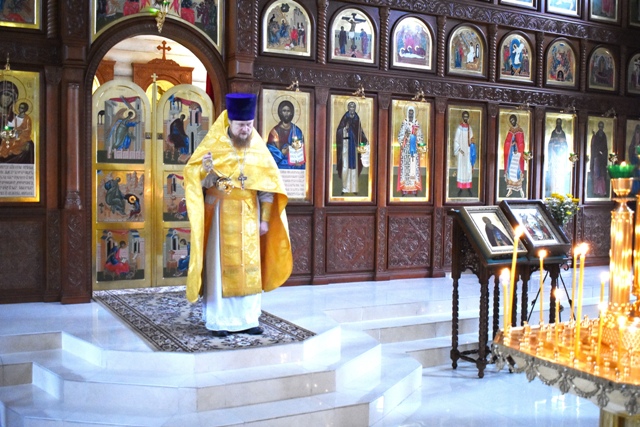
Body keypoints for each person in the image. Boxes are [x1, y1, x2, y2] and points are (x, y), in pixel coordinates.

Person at [184, 93, 292, 338]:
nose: (246, 130)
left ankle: (248, 319)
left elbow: (267, 188)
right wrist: (206, 171)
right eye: (241, 125)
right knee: (218, 268)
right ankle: (219, 320)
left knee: (250, 266)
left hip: (250, 217)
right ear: (230, 123)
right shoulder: (213, 146)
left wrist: (265, 220)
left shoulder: (258, 149)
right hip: (220, 217)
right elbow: (196, 181)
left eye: (249, 125)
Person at [336, 101, 368, 195]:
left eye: (353, 107)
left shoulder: (357, 118)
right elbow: (339, 130)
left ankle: (354, 188)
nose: (352, 109)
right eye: (350, 107)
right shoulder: (345, 118)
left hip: (354, 146)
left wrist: (364, 139)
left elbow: (359, 131)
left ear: (355, 108)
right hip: (345, 145)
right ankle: (345, 188)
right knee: (345, 166)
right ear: (348, 108)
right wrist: (344, 129)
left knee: (354, 168)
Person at [267, 100, 305, 169]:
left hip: (294, 168)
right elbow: (270, 154)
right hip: (278, 168)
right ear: (280, 112)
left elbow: (300, 152)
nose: (286, 113)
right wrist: (282, 153)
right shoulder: (274, 132)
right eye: (284, 111)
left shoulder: (297, 131)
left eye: (288, 111)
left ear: (291, 113)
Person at [396, 106, 423, 196]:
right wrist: (406, 136)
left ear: (414, 113)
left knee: (413, 167)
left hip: (414, 149)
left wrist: (417, 137)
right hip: (406, 149)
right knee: (406, 168)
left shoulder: (416, 123)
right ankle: (405, 189)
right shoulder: (404, 123)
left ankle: (414, 188)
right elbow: (400, 136)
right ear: (407, 113)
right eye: (409, 113)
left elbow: (420, 136)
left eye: (412, 113)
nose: (411, 115)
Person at [453, 110, 475, 197]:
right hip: (462, 152)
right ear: (462, 117)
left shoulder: (470, 128)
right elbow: (456, 140)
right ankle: (461, 188)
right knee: (462, 169)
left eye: (467, 116)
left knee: (468, 169)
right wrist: (460, 150)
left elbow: (472, 139)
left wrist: (472, 144)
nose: (465, 118)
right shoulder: (460, 128)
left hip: (468, 152)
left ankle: (469, 187)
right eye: (464, 116)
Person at [503, 114, 525, 198]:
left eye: (513, 120)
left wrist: (517, 147)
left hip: (517, 155)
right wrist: (510, 144)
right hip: (510, 155)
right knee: (510, 170)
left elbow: (522, 143)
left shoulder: (520, 131)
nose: (512, 122)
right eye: (510, 121)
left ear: (516, 120)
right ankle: (510, 190)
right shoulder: (510, 131)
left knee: (517, 171)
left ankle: (521, 189)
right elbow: (506, 142)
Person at [546, 118, 570, 197]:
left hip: (561, 158)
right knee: (554, 176)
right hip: (554, 157)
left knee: (560, 177)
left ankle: (560, 194)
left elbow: (566, 145)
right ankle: (553, 192)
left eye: (560, 123)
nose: (558, 125)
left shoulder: (563, 133)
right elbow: (550, 145)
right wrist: (555, 144)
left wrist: (561, 145)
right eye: (558, 123)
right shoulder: (553, 133)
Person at [590, 121, 608, 197]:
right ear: (598, 127)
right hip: (597, 158)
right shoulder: (596, 136)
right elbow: (594, 146)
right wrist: (598, 152)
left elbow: (605, 147)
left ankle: (602, 191)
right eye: (600, 126)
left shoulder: (604, 136)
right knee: (597, 175)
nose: (601, 128)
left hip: (602, 159)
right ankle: (596, 191)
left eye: (602, 126)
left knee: (602, 175)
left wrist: (603, 153)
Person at [628, 124, 640, 194]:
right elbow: (630, 155)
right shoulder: (632, 146)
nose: (638, 135)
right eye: (637, 133)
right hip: (633, 163)